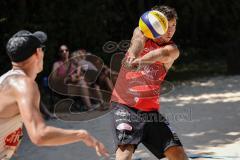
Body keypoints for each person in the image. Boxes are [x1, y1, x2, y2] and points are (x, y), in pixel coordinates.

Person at [0, 30, 109, 159]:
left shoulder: (6, 80)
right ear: (38, 52)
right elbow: (39, 135)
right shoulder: (24, 84)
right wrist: (82, 134)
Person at [111, 6, 189, 160]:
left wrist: (139, 61)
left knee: (179, 155)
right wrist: (132, 56)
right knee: (124, 152)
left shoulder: (173, 49)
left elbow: (160, 54)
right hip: (124, 105)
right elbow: (137, 42)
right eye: (166, 25)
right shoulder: (141, 32)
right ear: (155, 24)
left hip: (150, 111)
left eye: (174, 25)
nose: (170, 30)